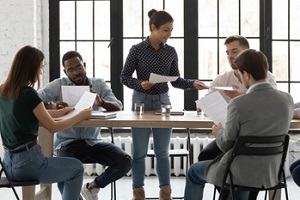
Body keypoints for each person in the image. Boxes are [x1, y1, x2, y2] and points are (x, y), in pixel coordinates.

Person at [184, 49, 294, 200]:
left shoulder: (238, 103)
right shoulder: (287, 100)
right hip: (272, 172)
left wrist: (218, 132)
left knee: (193, 172)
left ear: (247, 75)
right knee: (240, 169)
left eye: (241, 76)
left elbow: (226, 145)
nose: (241, 80)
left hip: (239, 172)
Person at [120, 9, 207, 200]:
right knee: (139, 153)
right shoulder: (137, 49)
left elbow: (175, 80)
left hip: (163, 101)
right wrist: (139, 84)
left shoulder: (171, 52)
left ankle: (165, 193)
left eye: (171, 30)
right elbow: (124, 77)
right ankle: (138, 192)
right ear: (153, 27)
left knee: (162, 152)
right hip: (140, 101)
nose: (169, 34)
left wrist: (192, 83)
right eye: (165, 30)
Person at [0, 45, 93, 200]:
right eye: (40, 67)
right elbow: (52, 127)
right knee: (76, 168)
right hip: (29, 164)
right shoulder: (29, 94)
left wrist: (61, 112)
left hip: (8, 165)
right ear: (31, 68)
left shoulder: (3, 90)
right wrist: (81, 114)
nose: (41, 71)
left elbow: (25, 114)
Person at [38, 50, 132, 200]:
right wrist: (53, 105)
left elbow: (118, 106)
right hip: (68, 144)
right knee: (65, 175)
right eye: (71, 70)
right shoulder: (59, 85)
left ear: (84, 65)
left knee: (125, 161)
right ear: (65, 71)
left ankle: (92, 187)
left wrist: (101, 102)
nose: (76, 72)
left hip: (93, 142)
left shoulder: (99, 83)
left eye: (79, 67)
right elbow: (35, 99)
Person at [198, 35, 278, 162]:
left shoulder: (266, 77)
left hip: (257, 134)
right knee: (205, 156)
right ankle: (225, 181)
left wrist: (244, 96)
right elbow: (205, 102)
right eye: (227, 53)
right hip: (230, 134)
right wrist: (202, 105)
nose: (230, 56)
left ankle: (228, 177)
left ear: (246, 53)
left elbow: (272, 105)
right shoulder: (222, 79)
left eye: (234, 51)